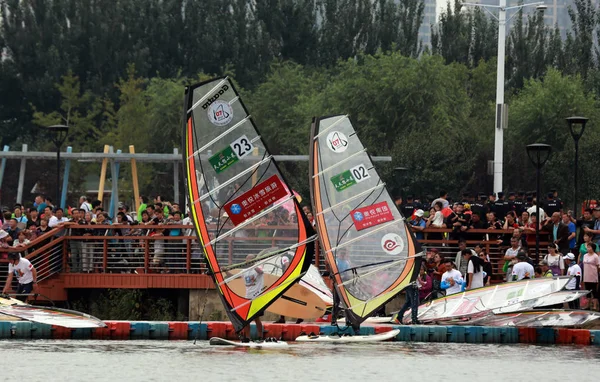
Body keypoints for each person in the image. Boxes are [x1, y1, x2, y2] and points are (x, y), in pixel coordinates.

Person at [240, 254, 264, 342]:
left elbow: (260, 272)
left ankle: (260, 337)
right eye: (247, 259)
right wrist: (226, 271)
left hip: (257, 297)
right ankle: (247, 337)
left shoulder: (259, 267)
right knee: (246, 319)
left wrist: (253, 264)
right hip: (247, 298)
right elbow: (236, 276)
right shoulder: (244, 271)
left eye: (249, 259)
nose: (247, 260)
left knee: (256, 318)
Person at [582, 243, 600, 311]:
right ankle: (588, 305)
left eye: (589, 247)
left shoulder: (595, 256)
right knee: (588, 291)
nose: (588, 248)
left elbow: (598, 266)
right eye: (587, 247)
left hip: (593, 276)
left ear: (593, 248)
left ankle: (595, 306)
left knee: (594, 291)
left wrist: (595, 274)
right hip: (586, 276)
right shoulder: (585, 255)